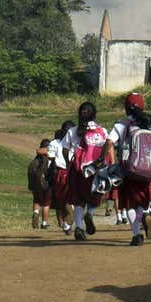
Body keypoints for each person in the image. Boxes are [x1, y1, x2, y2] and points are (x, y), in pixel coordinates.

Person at [111, 92, 151, 245]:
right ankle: (145, 212)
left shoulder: (121, 125)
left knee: (129, 203)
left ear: (126, 107)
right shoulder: (149, 122)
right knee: (144, 198)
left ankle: (137, 234)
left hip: (129, 169)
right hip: (148, 167)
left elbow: (109, 142)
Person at [61, 100, 109, 241]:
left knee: (78, 200)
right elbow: (107, 147)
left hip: (78, 170)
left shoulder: (73, 131)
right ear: (95, 115)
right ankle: (91, 213)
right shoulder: (102, 130)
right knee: (94, 197)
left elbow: (64, 148)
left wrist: (68, 162)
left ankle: (79, 227)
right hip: (95, 169)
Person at [48, 119, 76, 234]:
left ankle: (67, 222)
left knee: (63, 199)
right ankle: (67, 223)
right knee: (70, 200)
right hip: (68, 172)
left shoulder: (54, 143)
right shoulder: (75, 143)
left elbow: (50, 159)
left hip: (60, 173)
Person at [28, 139, 54, 230]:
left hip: (36, 183)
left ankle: (35, 213)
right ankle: (44, 223)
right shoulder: (49, 156)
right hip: (46, 184)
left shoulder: (37, 158)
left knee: (37, 201)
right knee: (46, 204)